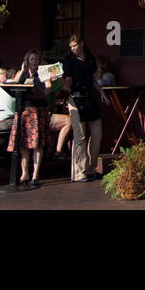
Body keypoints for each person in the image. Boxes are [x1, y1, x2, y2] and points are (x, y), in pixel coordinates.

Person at [61, 32, 104, 183]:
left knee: (97, 134)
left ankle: (91, 168)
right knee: (80, 136)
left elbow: (93, 80)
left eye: (75, 45)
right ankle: (79, 172)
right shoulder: (69, 61)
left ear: (82, 44)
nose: (73, 48)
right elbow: (67, 81)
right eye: (71, 46)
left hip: (90, 98)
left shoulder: (90, 59)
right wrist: (59, 83)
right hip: (75, 99)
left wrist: (101, 92)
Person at [7, 50, 49, 189]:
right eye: (32, 59)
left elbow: (48, 87)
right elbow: (14, 83)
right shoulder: (22, 72)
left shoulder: (43, 72)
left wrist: (48, 85)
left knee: (37, 144)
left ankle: (35, 175)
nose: (34, 62)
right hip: (24, 110)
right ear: (27, 60)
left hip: (37, 110)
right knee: (23, 144)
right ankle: (24, 173)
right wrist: (22, 69)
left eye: (36, 59)